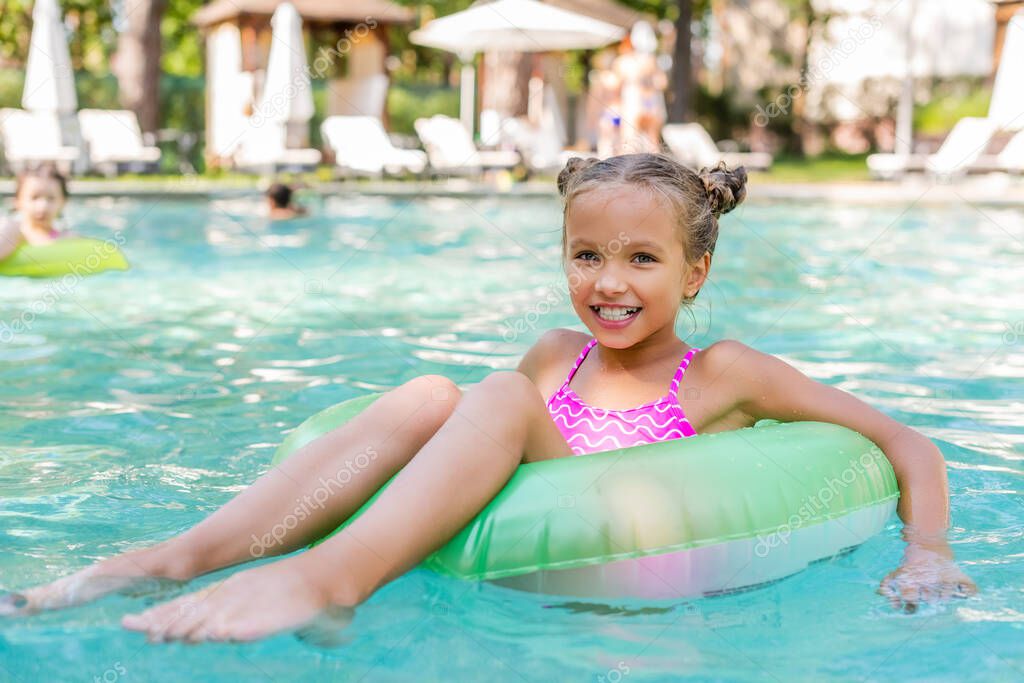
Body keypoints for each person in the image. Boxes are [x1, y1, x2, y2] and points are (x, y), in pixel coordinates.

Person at [0, 154, 975, 643]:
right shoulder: (555, 355)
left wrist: (925, 555)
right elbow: (469, 458)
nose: (609, 282)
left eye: (642, 258)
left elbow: (905, 442)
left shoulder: (724, 374)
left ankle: (328, 580)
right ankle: (169, 556)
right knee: (439, 387)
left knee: (498, 396)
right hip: (526, 539)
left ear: (696, 266)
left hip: (619, 596)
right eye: (586, 254)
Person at [0, 164, 70, 261]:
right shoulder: (12, 232)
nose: (43, 206)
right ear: (17, 201)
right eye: (34, 197)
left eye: (51, 198)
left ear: (63, 202)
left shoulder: (67, 238)